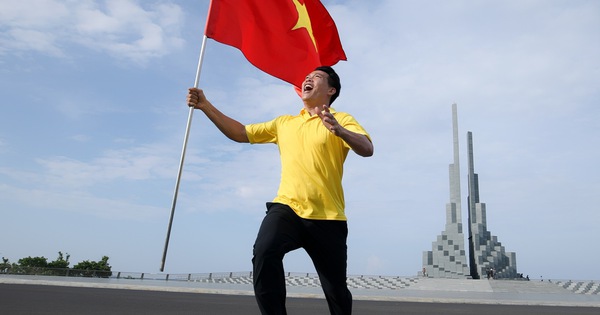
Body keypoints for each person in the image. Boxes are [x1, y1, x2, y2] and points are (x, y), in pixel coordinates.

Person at [186, 66, 373, 315]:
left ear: (331, 90)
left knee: (336, 290)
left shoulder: (342, 119)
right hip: (288, 208)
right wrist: (206, 106)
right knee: (264, 251)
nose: (308, 78)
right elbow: (241, 133)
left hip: (328, 217)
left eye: (316, 77)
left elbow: (367, 148)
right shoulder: (284, 123)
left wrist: (340, 130)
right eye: (307, 76)